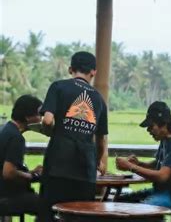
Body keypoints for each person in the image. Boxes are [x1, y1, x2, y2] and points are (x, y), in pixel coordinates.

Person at [39, 51, 108, 222]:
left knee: (50, 215)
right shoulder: (99, 100)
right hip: (86, 169)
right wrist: (98, 161)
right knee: (81, 217)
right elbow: (101, 140)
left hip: (58, 165)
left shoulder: (58, 87)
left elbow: (47, 120)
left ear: (71, 69)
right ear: (93, 72)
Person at [115, 101, 171, 211]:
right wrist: (139, 164)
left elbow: (162, 176)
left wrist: (131, 167)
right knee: (120, 201)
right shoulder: (166, 138)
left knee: (143, 210)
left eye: (151, 126)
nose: (149, 131)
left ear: (163, 123)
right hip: (162, 191)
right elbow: (159, 164)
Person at [0, 95, 43, 217]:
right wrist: (32, 175)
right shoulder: (16, 138)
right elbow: (8, 172)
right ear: (28, 117)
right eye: (39, 114)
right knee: (48, 205)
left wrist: (29, 172)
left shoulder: (4, 130)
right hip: (6, 196)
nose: (41, 119)